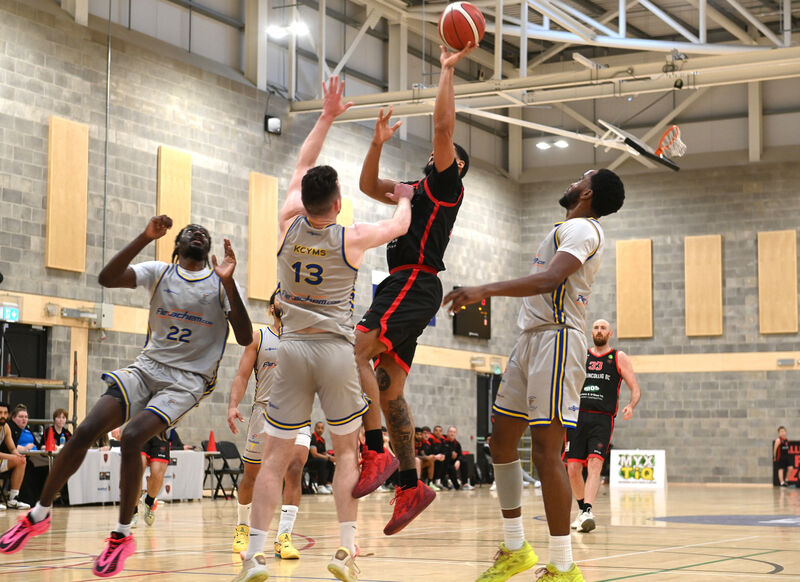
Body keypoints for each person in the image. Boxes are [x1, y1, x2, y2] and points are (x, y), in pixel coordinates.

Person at [232, 75, 413, 582]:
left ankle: (254, 558)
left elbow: (301, 165)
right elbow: (399, 226)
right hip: (335, 352)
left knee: (273, 459)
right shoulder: (351, 237)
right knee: (347, 452)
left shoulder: (288, 221)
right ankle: (345, 552)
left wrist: (327, 114)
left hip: (289, 351)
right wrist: (402, 196)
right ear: (337, 202)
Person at [0, 216, 252, 578]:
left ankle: (121, 535)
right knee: (86, 428)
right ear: (176, 245)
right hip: (148, 367)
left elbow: (244, 337)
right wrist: (144, 237)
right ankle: (38, 514)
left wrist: (228, 286)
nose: (197, 233)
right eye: (189, 232)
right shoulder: (161, 272)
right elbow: (107, 278)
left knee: (133, 436)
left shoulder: (221, 282)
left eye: (204, 234)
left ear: (209, 248)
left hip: (189, 380)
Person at [443, 168, 625, 582]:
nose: (574, 179)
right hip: (531, 339)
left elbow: (548, 279)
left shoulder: (582, 228)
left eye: (582, 176)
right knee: (501, 440)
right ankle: (515, 546)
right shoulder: (567, 227)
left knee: (546, 451)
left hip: (559, 340)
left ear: (588, 192)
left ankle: (563, 564)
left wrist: (484, 290)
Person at [352, 42, 476, 536]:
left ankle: (376, 453)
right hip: (406, 289)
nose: (434, 153)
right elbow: (365, 186)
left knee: (354, 351)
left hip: (414, 281)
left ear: (455, 166)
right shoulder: (411, 189)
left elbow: (444, 128)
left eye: (442, 155)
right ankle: (409, 484)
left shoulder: (446, 187)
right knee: (390, 392)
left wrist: (446, 71)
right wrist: (377, 142)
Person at [227, 291, 311, 556]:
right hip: (264, 413)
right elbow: (242, 376)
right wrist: (232, 405)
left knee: (295, 469)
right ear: (271, 307)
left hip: (297, 414)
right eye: (281, 297)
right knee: (252, 476)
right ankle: (242, 527)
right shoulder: (258, 337)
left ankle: (283, 537)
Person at [566, 319, 641, 533]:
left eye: (603, 328)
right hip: (577, 416)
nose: (599, 331)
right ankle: (582, 511)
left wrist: (631, 405)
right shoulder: (582, 355)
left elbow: (635, 387)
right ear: (592, 332)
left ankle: (588, 511)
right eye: (596, 328)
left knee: (595, 464)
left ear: (610, 334)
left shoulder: (618, 357)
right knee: (572, 469)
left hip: (602, 419)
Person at [0, 402, 29, 510]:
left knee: (22, 461)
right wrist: (12, 457)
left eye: (5, 413)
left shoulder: (6, 427)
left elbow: (12, 448)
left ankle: (13, 499)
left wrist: (18, 456)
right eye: (0, 413)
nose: (3, 415)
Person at [307, 421, 335, 494]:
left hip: (319, 461)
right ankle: (320, 486)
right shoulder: (312, 438)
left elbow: (324, 453)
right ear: (315, 428)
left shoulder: (322, 440)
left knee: (331, 462)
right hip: (309, 461)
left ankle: (328, 484)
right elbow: (314, 454)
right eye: (318, 428)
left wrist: (331, 457)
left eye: (322, 428)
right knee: (323, 461)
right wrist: (328, 458)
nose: (320, 430)